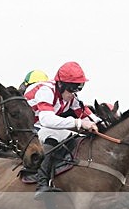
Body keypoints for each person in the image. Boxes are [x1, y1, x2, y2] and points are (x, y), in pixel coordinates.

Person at [24, 61, 102, 198]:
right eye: (72, 88)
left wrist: (104, 127)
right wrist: (79, 123)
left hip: (42, 126)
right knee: (55, 133)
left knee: (76, 136)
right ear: (60, 84)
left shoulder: (70, 97)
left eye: (78, 88)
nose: (74, 93)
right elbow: (46, 119)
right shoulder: (46, 91)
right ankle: (42, 184)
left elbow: (89, 115)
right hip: (28, 128)